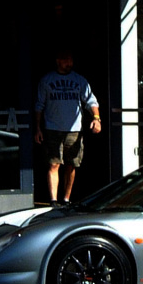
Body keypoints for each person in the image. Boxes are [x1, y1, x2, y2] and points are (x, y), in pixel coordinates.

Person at [34, 48, 101, 205]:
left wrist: (96, 118)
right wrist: (37, 128)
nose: (69, 63)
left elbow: (91, 101)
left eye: (70, 60)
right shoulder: (47, 80)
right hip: (52, 128)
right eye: (65, 60)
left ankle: (66, 199)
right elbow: (39, 105)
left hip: (74, 130)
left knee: (71, 165)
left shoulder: (80, 81)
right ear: (58, 61)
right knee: (54, 164)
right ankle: (53, 200)